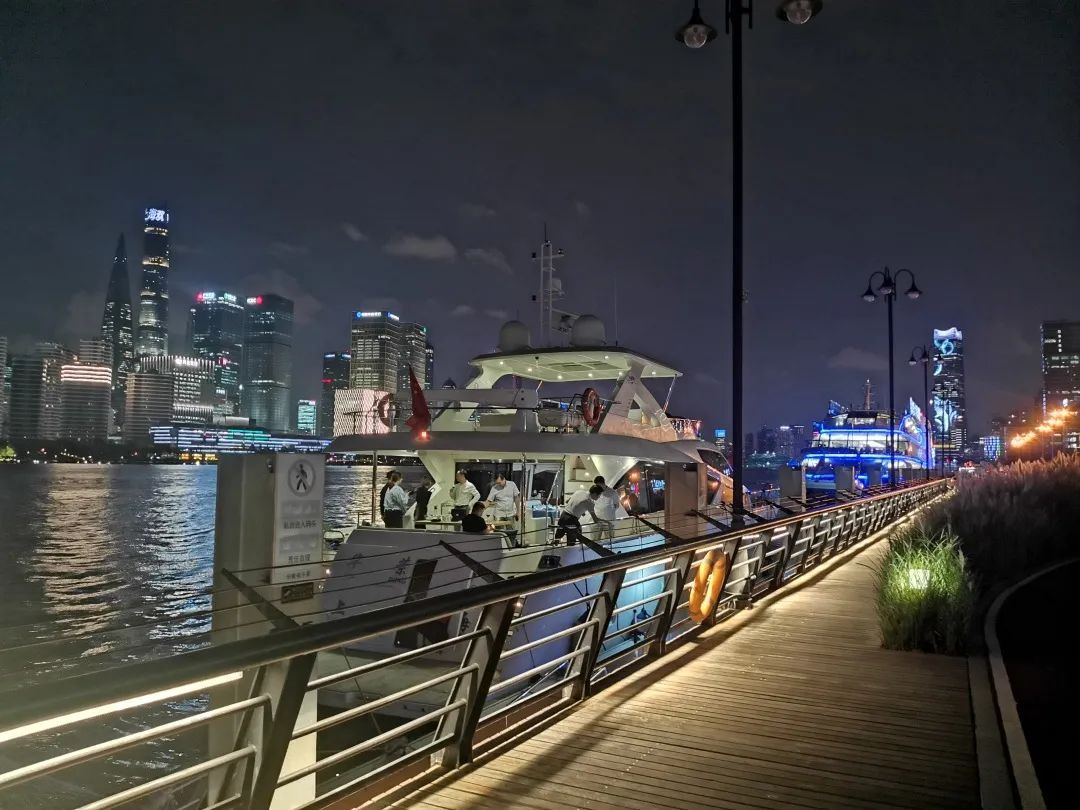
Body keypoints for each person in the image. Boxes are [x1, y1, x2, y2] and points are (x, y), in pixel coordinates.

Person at [592, 476, 619, 541]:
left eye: (598, 485)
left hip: (609, 521)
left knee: (610, 540)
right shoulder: (595, 492)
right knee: (595, 540)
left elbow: (617, 505)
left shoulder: (613, 492)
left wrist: (610, 512)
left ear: (603, 483)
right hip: (597, 521)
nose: (597, 487)